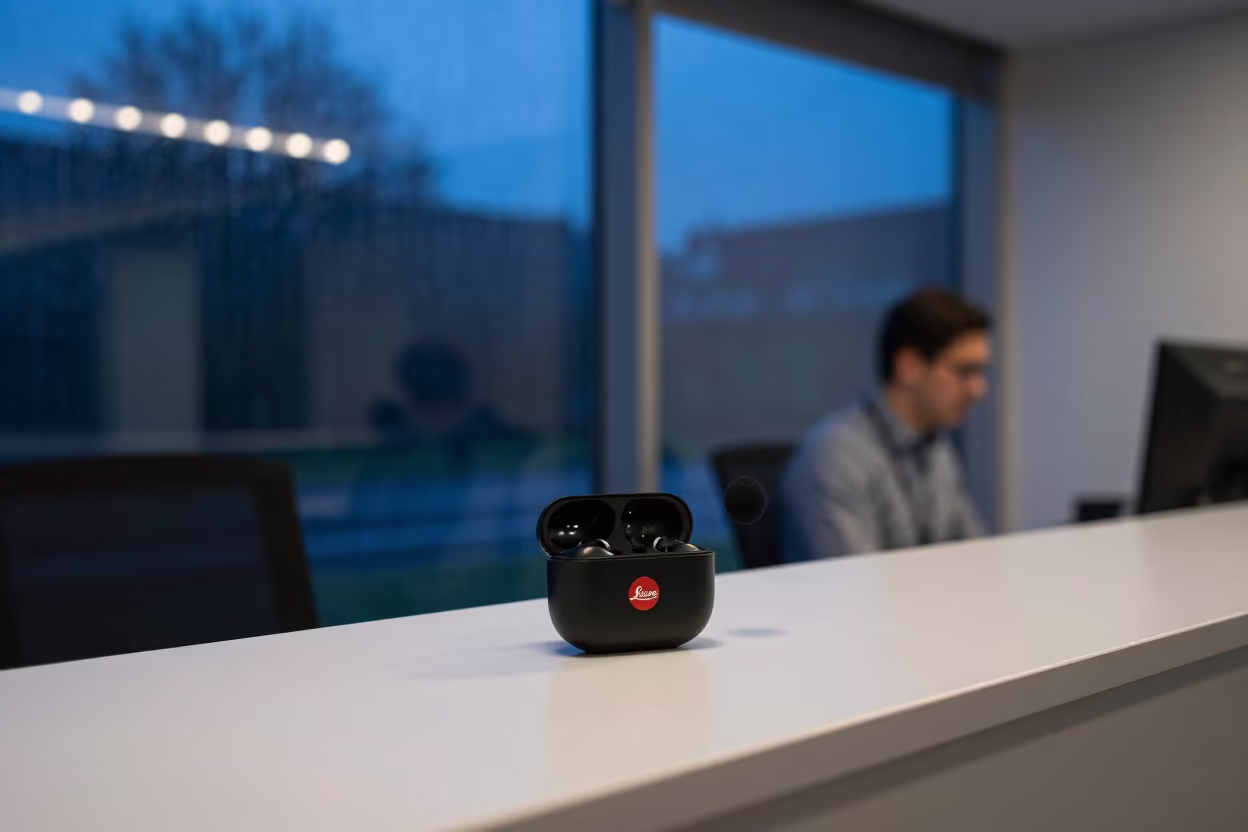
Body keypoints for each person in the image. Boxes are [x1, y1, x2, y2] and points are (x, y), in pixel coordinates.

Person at [783, 288, 991, 560]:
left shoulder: (937, 446)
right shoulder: (834, 457)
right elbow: (852, 587)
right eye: (964, 371)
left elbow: (977, 557)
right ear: (909, 367)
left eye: (980, 372)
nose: (978, 390)